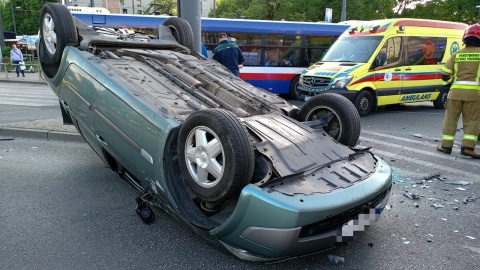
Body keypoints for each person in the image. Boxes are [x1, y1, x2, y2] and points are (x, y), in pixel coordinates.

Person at [437, 23, 480, 158]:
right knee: (472, 120)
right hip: (474, 94)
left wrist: (452, 82)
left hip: (455, 93)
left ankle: (445, 146)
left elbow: (444, 74)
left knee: (450, 119)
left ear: (465, 39)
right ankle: (468, 148)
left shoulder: (457, 54)